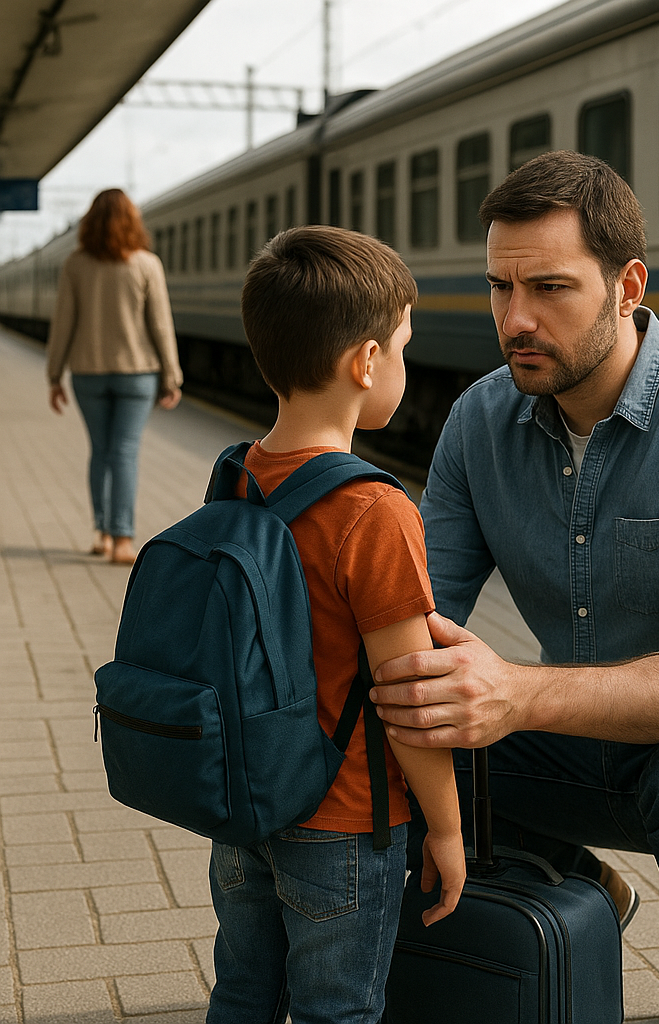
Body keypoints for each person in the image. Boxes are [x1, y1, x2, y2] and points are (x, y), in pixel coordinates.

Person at [370, 151, 659, 1024]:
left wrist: (517, 693)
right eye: (499, 288)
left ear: (628, 287)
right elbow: (417, 608)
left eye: (550, 288)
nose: (516, 319)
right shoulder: (480, 421)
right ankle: (576, 885)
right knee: (385, 727)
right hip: (583, 739)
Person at [205, 225, 465, 1024]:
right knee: (338, 1010)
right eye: (403, 349)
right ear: (366, 362)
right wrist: (448, 829)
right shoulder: (375, 510)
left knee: (242, 994)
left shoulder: (237, 475)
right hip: (345, 822)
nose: (405, 367)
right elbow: (408, 696)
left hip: (244, 808)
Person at [46, 188, 183, 565]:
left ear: (90, 222)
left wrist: (54, 375)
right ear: (132, 221)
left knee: (100, 451)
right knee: (124, 452)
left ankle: (101, 534)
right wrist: (172, 376)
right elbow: (160, 324)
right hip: (137, 375)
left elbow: (63, 323)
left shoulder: (76, 264)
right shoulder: (147, 264)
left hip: (87, 372)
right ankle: (122, 540)